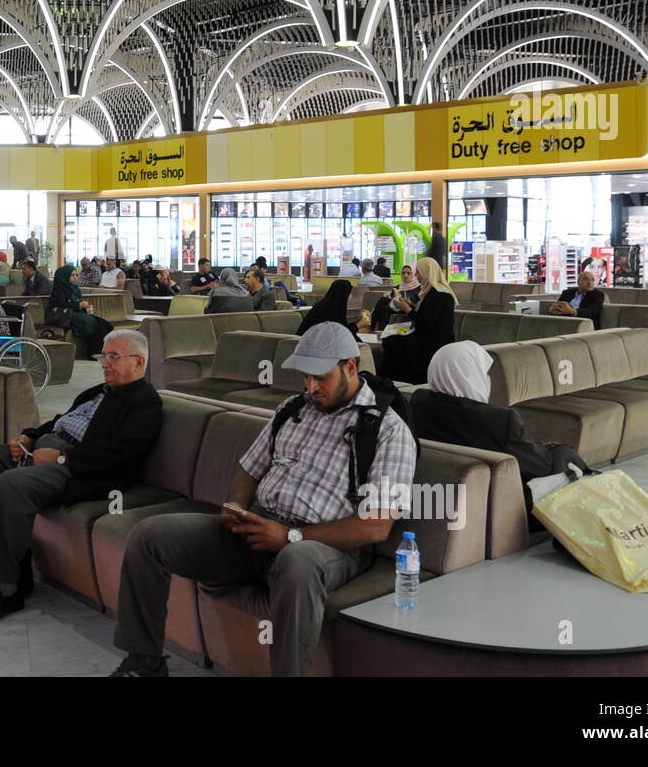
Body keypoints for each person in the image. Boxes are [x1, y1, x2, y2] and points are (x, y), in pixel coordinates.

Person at [109, 321, 414, 677]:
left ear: (350, 367)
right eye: (306, 377)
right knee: (150, 537)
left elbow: (377, 525)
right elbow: (248, 472)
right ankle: (143, 663)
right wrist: (236, 507)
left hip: (327, 545)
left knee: (298, 561)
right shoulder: (292, 410)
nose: (311, 387)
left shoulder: (388, 430)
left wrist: (290, 537)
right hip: (261, 528)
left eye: (321, 378)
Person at [0, 329, 162, 622]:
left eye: (114, 357)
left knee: (11, 484)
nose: (105, 363)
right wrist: (28, 437)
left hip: (78, 473)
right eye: (103, 356)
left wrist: (63, 457)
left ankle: (6, 587)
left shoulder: (145, 403)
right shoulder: (97, 391)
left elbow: (121, 454)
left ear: (139, 362)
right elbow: (59, 422)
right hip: (42, 454)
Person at [410, 341, 592, 531]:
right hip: (496, 504)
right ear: (469, 376)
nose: (488, 378)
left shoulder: (419, 403)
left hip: (438, 495)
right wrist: (558, 449)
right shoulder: (499, 419)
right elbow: (540, 467)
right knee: (568, 459)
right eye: (482, 372)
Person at [378, 257, 455, 384]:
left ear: (426, 272)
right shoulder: (435, 291)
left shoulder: (437, 294)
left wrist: (408, 309)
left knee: (391, 342)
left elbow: (426, 323)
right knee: (392, 341)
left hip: (433, 342)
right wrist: (412, 307)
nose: (416, 275)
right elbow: (428, 316)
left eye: (418, 272)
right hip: (430, 338)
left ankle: (391, 382)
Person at [45, 265, 114, 357]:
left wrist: (84, 306)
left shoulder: (75, 289)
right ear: (64, 276)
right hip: (64, 316)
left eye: (76, 275)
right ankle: (94, 352)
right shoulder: (59, 290)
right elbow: (61, 305)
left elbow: (78, 301)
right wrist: (79, 305)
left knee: (100, 321)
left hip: (76, 313)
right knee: (89, 322)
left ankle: (104, 350)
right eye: (72, 275)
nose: (75, 277)